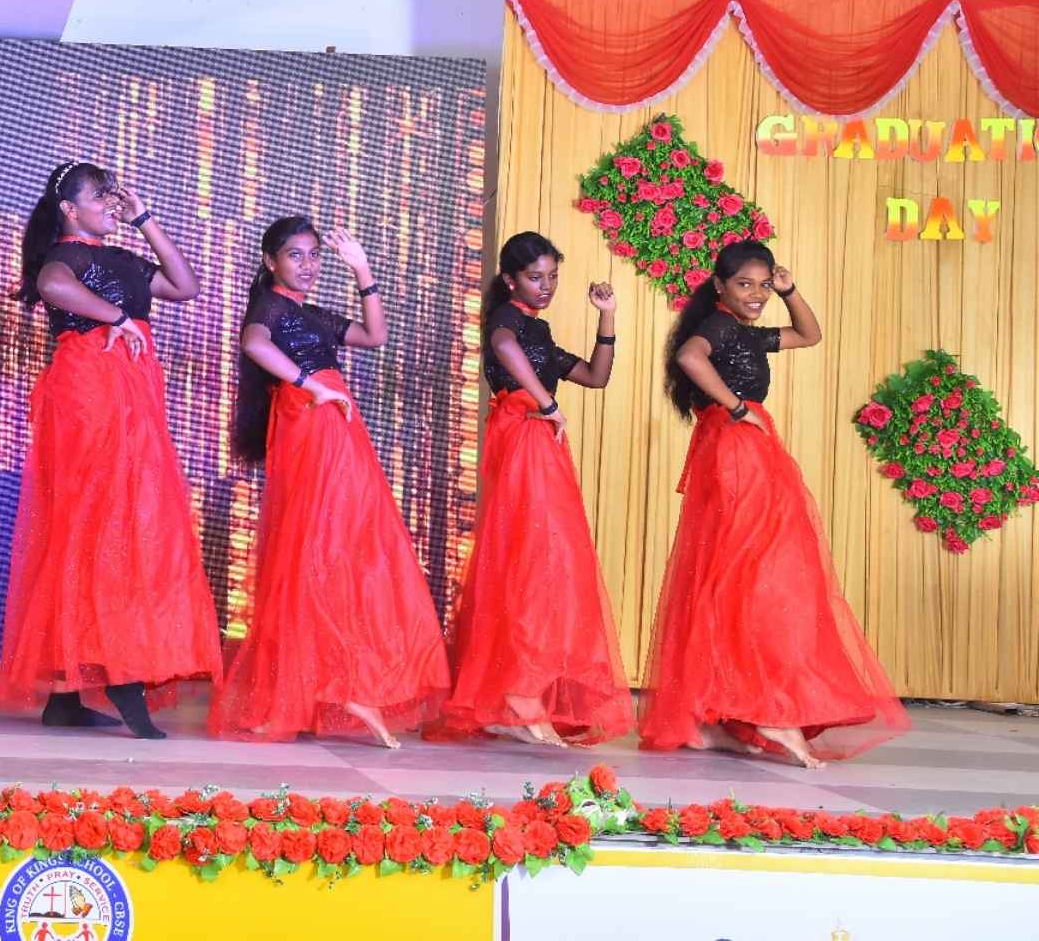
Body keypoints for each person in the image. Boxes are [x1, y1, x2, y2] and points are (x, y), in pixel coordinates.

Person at [642, 239, 908, 767]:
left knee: (736, 575)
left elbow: (809, 334)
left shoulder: (744, 330)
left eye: (763, 285)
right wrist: (738, 408)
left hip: (739, 450)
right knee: (757, 573)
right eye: (745, 284)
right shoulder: (719, 326)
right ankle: (769, 711)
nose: (757, 294)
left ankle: (714, 719)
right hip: (738, 452)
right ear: (719, 286)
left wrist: (790, 291)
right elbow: (689, 356)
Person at [0, 161, 220, 739]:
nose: (110, 204)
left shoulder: (120, 257)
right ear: (70, 209)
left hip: (130, 388)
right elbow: (52, 286)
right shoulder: (66, 254)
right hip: (90, 386)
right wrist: (117, 315)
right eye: (100, 197)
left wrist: (144, 218)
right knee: (101, 519)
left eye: (112, 196)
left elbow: (185, 286)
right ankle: (117, 672)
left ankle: (69, 694)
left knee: (125, 520)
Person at [207, 215, 449, 747]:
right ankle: (306, 690)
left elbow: (374, 335)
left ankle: (338, 682)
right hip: (309, 422)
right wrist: (310, 385)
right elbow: (254, 343)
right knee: (312, 548)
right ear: (271, 261)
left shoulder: (310, 313)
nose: (308, 264)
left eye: (314, 255)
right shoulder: (269, 306)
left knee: (340, 547)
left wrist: (362, 270)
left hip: (332, 424)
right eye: (295, 255)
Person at [438, 231, 632, 747]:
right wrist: (547, 403)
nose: (545, 286)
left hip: (541, 444)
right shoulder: (506, 319)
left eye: (552, 277)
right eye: (534, 277)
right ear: (510, 280)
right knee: (530, 560)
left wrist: (607, 317)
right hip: (524, 439)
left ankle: (517, 694)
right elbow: (503, 346)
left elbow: (595, 376)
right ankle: (519, 697)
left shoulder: (537, 330)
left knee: (543, 563)